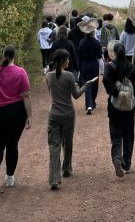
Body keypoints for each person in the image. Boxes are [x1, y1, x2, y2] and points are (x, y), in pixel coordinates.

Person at [0, 45, 32, 194]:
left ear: (3, 55)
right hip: (15, 112)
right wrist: (29, 115)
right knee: (12, 144)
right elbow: (26, 95)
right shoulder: (20, 72)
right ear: (14, 56)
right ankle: (9, 177)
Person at [46, 49, 98, 190]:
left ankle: (54, 178)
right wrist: (86, 85)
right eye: (67, 59)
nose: (69, 61)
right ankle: (67, 169)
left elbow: (52, 91)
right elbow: (76, 95)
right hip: (68, 114)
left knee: (54, 146)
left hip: (54, 114)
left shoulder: (49, 76)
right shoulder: (69, 76)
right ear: (63, 61)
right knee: (67, 143)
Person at [102, 42, 135, 177]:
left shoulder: (110, 67)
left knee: (116, 133)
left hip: (114, 107)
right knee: (128, 134)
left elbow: (105, 80)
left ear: (115, 53)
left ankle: (117, 158)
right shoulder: (131, 67)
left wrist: (115, 92)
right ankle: (127, 162)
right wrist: (129, 95)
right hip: (129, 108)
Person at [77, 18, 103, 114]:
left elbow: (79, 56)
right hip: (94, 64)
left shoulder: (81, 42)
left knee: (87, 84)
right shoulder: (96, 42)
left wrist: (79, 67)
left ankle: (89, 105)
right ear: (92, 32)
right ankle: (92, 103)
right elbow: (99, 56)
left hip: (84, 64)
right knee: (94, 84)